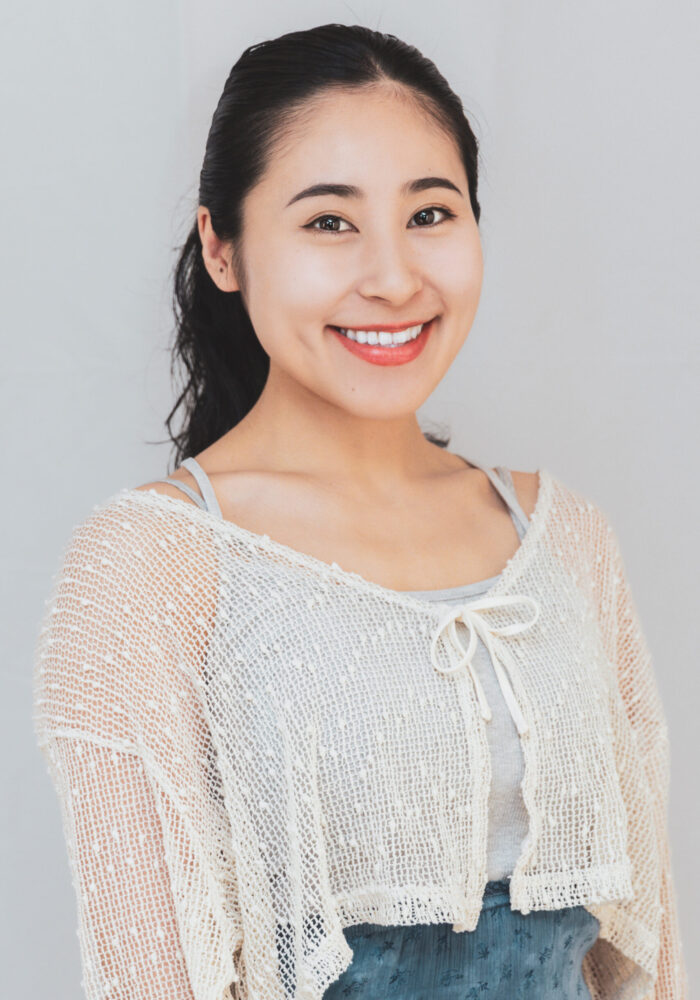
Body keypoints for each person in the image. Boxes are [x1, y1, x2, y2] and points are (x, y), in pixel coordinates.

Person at [33, 22, 686, 1000]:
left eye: (429, 214)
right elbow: (149, 978)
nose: (392, 277)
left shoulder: (563, 538)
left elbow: (647, 957)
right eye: (330, 222)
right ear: (222, 247)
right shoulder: (151, 565)